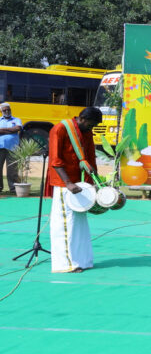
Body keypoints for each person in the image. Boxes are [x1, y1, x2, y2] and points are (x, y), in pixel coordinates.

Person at [47, 107, 102, 273]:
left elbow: (90, 158)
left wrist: (93, 183)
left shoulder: (86, 131)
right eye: (92, 124)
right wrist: (68, 183)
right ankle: (65, 264)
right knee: (65, 224)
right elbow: (55, 160)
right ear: (83, 118)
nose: (92, 128)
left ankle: (82, 261)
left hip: (80, 185)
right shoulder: (60, 129)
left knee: (79, 224)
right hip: (66, 185)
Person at [0, 103, 23, 191]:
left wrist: (2, 130)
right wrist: (10, 130)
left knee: (12, 169)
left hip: (13, 148)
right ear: (1, 111)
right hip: (0, 147)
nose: (7, 111)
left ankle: (13, 188)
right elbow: (13, 130)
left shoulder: (17, 119)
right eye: (4, 110)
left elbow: (17, 129)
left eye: (8, 109)